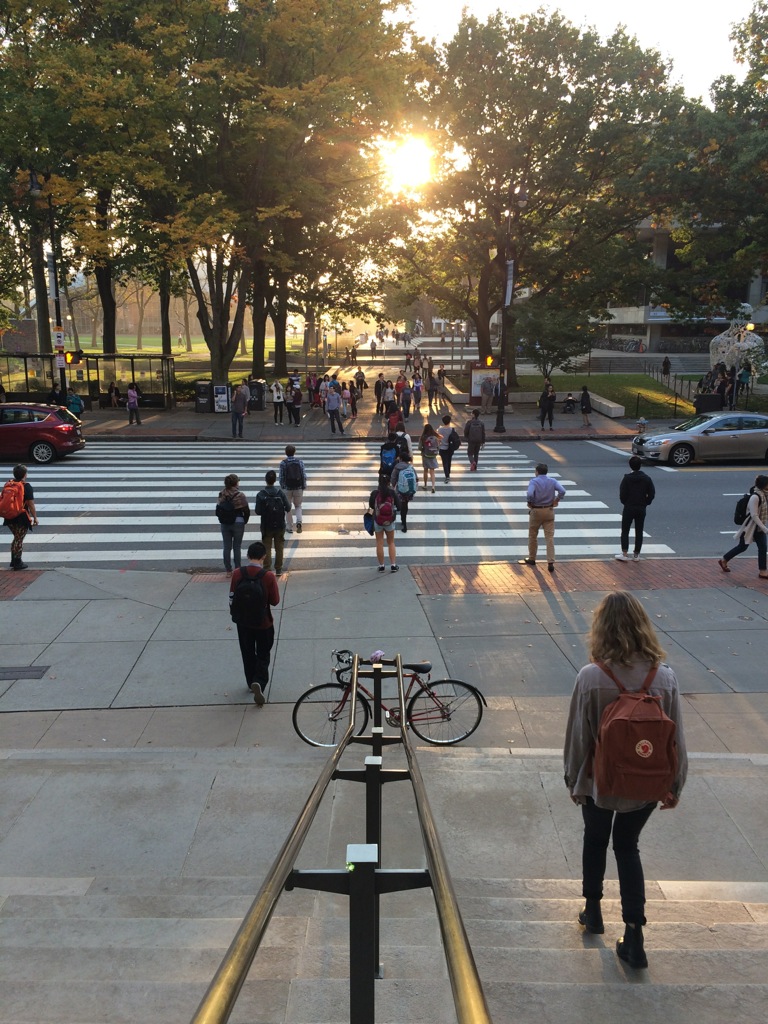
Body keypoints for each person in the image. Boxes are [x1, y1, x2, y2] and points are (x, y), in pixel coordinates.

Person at [564, 591, 687, 969]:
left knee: (595, 840)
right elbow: (677, 739)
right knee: (627, 847)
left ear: (601, 628)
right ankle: (634, 936)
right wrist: (674, 784)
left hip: (599, 782)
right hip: (646, 783)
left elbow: (579, 736)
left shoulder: (591, 677)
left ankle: (593, 911)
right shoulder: (664, 676)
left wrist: (573, 779)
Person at [229, 541, 280, 706]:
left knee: (247, 652)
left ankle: (251, 681)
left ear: (247, 555)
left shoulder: (238, 573)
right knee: (263, 654)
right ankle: (259, 681)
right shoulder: (268, 576)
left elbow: (231, 597)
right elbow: (275, 601)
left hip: (243, 623)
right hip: (263, 623)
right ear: (264, 557)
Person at [718, 474, 768, 579]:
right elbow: (754, 515)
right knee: (742, 547)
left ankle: (763, 571)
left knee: (763, 548)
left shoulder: (764, 494)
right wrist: (764, 528)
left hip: (759, 527)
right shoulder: (755, 497)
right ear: (764, 485)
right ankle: (724, 560)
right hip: (750, 527)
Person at [519, 463, 566, 572]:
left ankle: (532, 558)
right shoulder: (552, 481)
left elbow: (530, 494)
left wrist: (529, 502)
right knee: (549, 537)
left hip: (536, 511)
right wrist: (557, 500)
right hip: (549, 510)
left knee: (533, 535)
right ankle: (550, 561)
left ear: (537, 472)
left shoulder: (534, 481)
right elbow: (562, 491)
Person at [615, 456, 655, 562]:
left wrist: (625, 502)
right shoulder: (646, 478)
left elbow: (622, 494)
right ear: (640, 465)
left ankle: (624, 553)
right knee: (639, 530)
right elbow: (651, 493)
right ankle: (636, 554)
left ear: (630, 465)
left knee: (625, 530)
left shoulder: (627, 478)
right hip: (641, 507)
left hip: (629, 507)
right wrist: (646, 502)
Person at [255, 470, 291, 576]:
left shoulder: (261, 494)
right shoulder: (280, 493)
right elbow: (288, 507)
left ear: (266, 480)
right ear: (275, 480)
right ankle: (278, 569)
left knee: (266, 547)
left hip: (266, 525)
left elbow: (258, 511)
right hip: (279, 525)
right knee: (279, 547)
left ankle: (267, 569)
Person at [2, 464, 38, 570]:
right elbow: (31, 504)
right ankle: (17, 562)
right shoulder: (26, 486)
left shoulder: (9, 484)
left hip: (9, 515)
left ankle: (14, 560)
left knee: (17, 538)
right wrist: (35, 517)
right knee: (19, 539)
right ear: (24, 474)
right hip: (21, 516)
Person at [217, 473, 250, 574]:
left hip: (225, 523)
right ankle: (237, 569)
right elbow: (246, 510)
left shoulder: (222, 494)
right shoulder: (240, 495)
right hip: (238, 522)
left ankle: (228, 570)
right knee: (237, 547)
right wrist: (244, 520)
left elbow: (219, 509)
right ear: (236, 483)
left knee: (227, 547)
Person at [368, 473, 399, 572]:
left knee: (379, 543)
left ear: (378, 482)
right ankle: (393, 565)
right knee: (391, 542)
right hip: (389, 521)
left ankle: (381, 566)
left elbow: (371, 506)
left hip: (378, 521)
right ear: (389, 483)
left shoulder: (375, 493)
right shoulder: (392, 493)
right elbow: (399, 506)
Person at [279, 444, 306, 534]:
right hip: (298, 487)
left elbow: (281, 477)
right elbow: (303, 475)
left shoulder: (283, 463)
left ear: (286, 453)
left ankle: (289, 526)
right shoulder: (300, 462)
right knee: (298, 506)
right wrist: (303, 486)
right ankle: (299, 521)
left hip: (287, 488)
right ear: (294, 452)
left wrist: (283, 486)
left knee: (288, 507)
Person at [391, 451, 418, 532]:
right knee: (405, 505)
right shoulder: (410, 467)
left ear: (401, 459)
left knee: (401, 504)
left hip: (401, 490)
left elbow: (393, 479)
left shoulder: (397, 467)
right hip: (409, 490)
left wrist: (393, 486)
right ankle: (404, 521)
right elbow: (416, 478)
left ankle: (402, 521)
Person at [418, 422, 439, 492]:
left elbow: (419, 447)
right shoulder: (435, 437)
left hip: (425, 455)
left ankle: (425, 485)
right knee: (432, 471)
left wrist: (423, 449)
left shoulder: (423, 437)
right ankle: (433, 486)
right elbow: (438, 447)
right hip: (433, 455)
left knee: (425, 470)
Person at [436, 413, 457, 482]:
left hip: (442, 448)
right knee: (449, 461)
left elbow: (438, 439)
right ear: (449, 421)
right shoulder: (452, 430)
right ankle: (448, 473)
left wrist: (438, 446)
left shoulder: (439, 430)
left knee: (444, 462)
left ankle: (447, 476)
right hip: (450, 448)